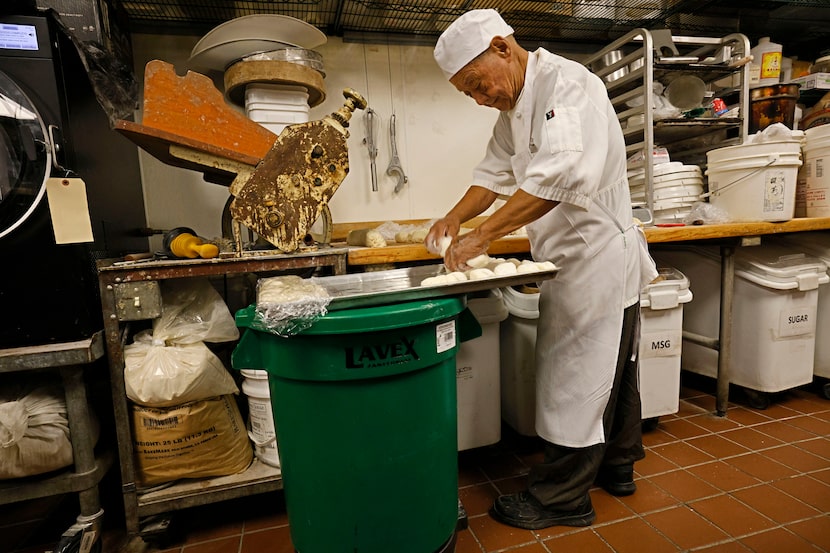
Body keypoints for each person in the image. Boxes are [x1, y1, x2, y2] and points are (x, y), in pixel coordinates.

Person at [426, 9, 659, 530]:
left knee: (575, 373)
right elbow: (493, 173)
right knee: (615, 364)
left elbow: (563, 173)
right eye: (470, 95)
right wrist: (456, 216)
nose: (482, 98)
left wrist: (482, 236)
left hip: (596, 257)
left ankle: (562, 497)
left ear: (502, 48)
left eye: (478, 84)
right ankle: (618, 466)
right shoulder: (516, 108)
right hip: (575, 260)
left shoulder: (568, 87)